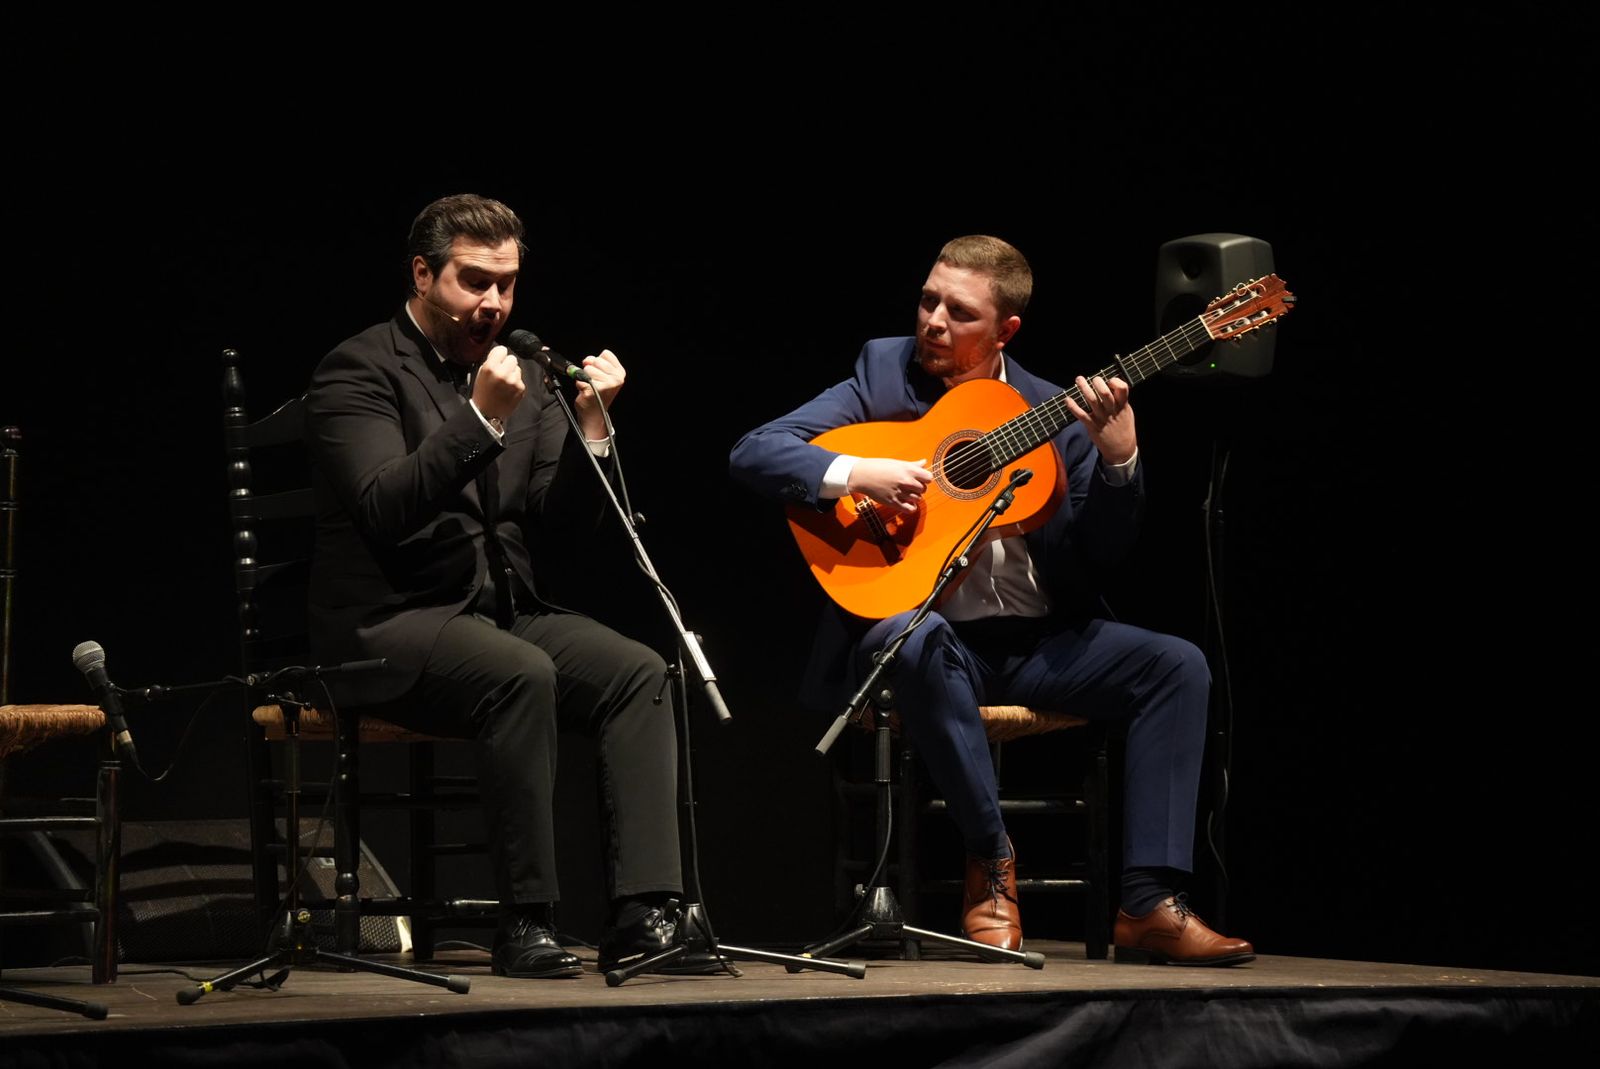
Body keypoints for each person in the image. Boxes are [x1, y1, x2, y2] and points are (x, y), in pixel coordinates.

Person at [728, 235, 1253, 965]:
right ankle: (992, 864)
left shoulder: (1050, 410)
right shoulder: (884, 376)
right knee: (898, 639)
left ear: (1005, 330)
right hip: (941, 648)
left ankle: (1149, 904)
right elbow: (755, 450)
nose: (933, 321)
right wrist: (857, 472)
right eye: (928, 300)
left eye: (959, 312)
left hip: (1045, 644)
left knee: (1177, 666)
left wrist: (1119, 460)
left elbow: (1102, 554)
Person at [304, 193, 703, 979]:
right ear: (423, 275)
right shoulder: (357, 368)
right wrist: (479, 421)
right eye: (473, 281)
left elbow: (559, 519)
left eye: (507, 284)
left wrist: (593, 427)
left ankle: (645, 916)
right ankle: (525, 923)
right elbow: (385, 507)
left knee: (639, 673)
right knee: (523, 675)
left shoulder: (523, 376)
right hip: (387, 623)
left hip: (501, 614)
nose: (493, 303)